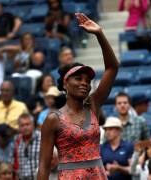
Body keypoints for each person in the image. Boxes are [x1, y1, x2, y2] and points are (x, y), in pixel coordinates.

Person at [37, 13, 120, 179]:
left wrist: (99, 34)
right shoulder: (53, 119)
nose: (85, 83)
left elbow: (112, 67)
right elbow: (44, 167)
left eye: (88, 80)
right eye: (78, 78)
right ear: (65, 83)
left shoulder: (93, 105)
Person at [9, 113, 41, 180]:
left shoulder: (42, 138)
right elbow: (11, 161)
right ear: (19, 127)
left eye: (27, 124)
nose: (25, 127)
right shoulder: (16, 139)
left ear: (33, 125)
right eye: (22, 125)